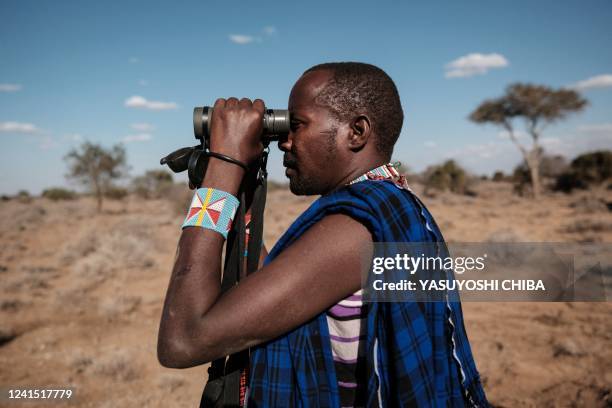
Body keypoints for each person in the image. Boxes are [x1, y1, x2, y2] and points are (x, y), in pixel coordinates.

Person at [157, 62, 489, 407]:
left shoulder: (355, 229)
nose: (284, 141)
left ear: (356, 132)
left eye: (296, 125)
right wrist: (240, 193)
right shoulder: (388, 204)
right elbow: (276, 297)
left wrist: (223, 167)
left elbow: (183, 340)